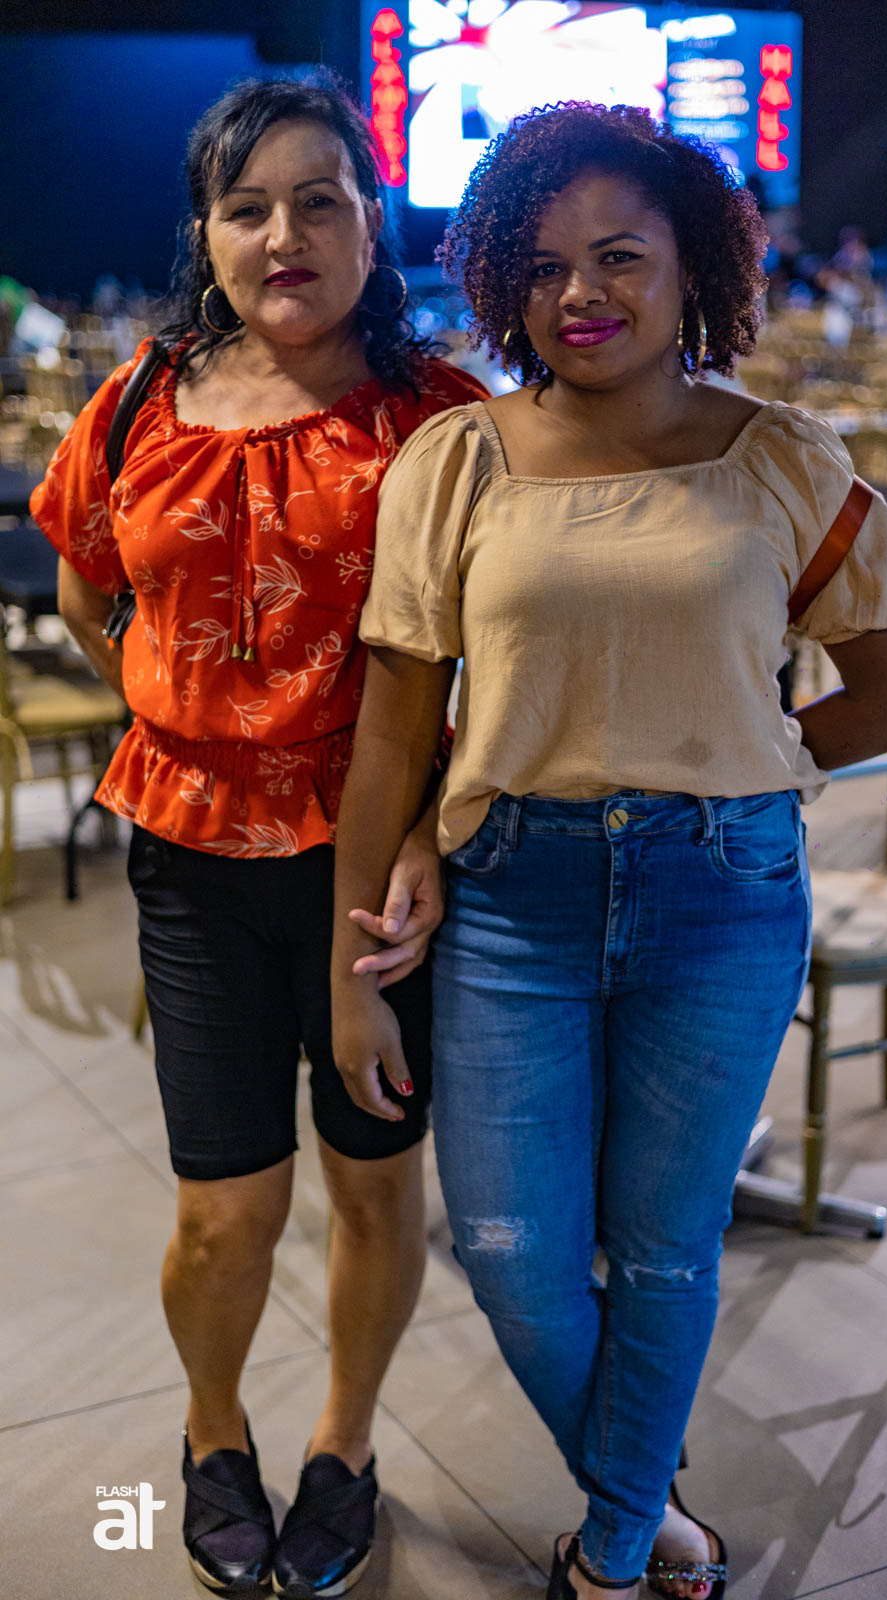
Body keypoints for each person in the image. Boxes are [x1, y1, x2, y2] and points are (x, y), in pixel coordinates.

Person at [330, 103, 887, 1600]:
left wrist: (755, 759)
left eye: (619, 256)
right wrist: (354, 966)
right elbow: (394, 731)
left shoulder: (780, 458)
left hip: (721, 895)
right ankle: (654, 1519)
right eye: (543, 266)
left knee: (666, 1249)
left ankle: (611, 1560)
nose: (580, 294)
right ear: (500, 280)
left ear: (692, 269)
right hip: (510, 896)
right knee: (508, 1246)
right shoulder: (459, 461)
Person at [30, 74, 486, 1598]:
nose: (283, 235)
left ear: (371, 221)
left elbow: (501, 654)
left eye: (318, 201)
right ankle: (213, 1431)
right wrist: (176, 703)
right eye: (247, 207)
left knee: (372, 1186)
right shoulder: (141, 399)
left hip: (379, 871)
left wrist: (430, 831)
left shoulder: (441, 418)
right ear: (206, 233)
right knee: (225, 1215)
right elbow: (86, 579)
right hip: (192, 860)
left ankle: (344, 1442)